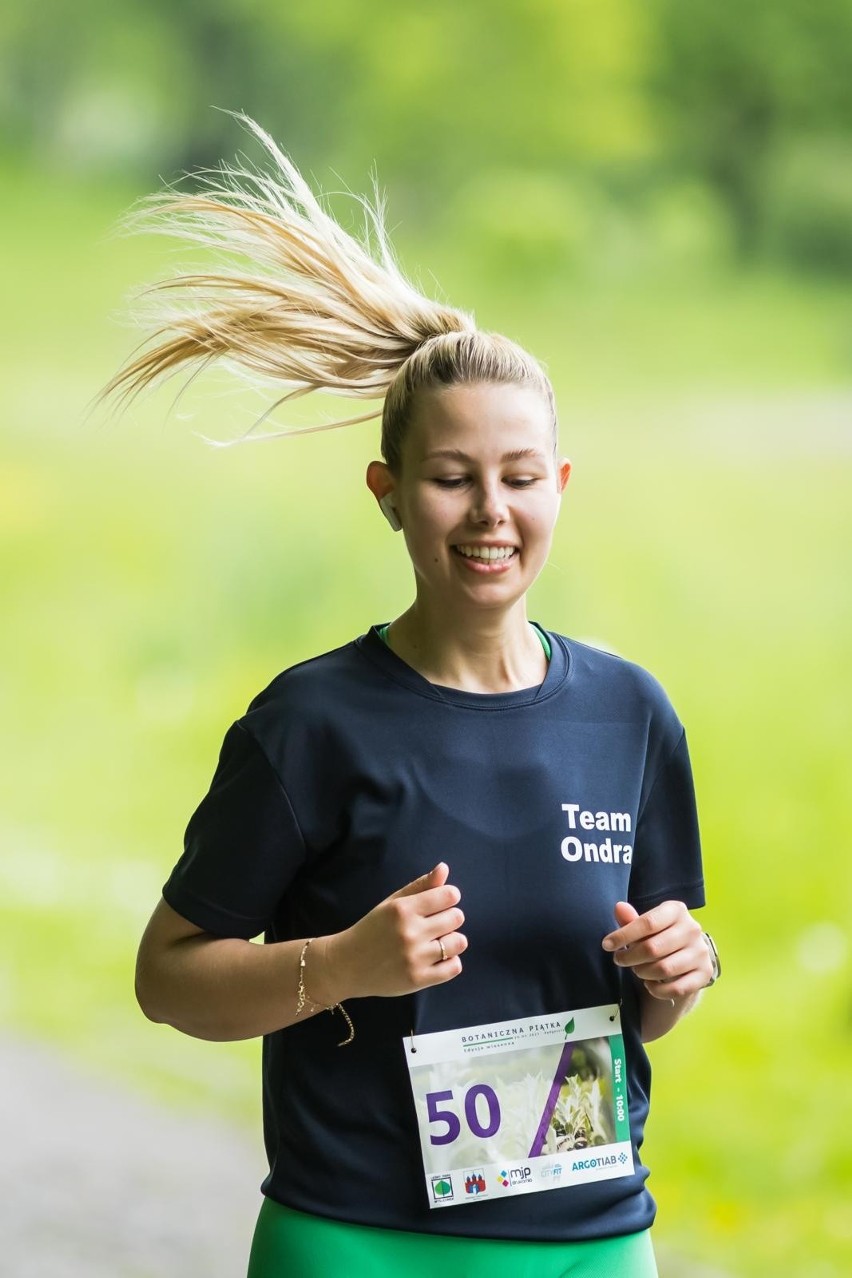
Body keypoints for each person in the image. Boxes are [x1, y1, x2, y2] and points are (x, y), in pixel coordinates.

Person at [108, 116, 719, 1278]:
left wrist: (679, 976)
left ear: (560, 487)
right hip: (356, 1242)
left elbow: (635, 1009)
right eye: (452, 479)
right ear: (389, 494)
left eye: (520, 477)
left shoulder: (630, 716)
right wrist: (341, 965)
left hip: (587, 1244)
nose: (491, 512)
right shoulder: (311, 723)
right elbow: (166, 977)